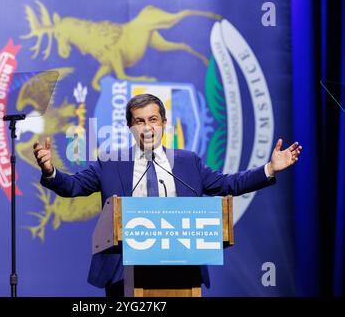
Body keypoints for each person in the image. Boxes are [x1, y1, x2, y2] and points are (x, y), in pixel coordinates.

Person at [33, 93, 302, 297]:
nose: (147, 127)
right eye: (139, 121)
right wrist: (50, 170)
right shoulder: (110, 163)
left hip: (181, 272)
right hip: (123, 274)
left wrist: (269, 168)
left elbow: (228, 184)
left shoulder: (188, 163)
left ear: (163, 123)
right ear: (130, 127)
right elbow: (73, 186)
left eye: (152, 120)